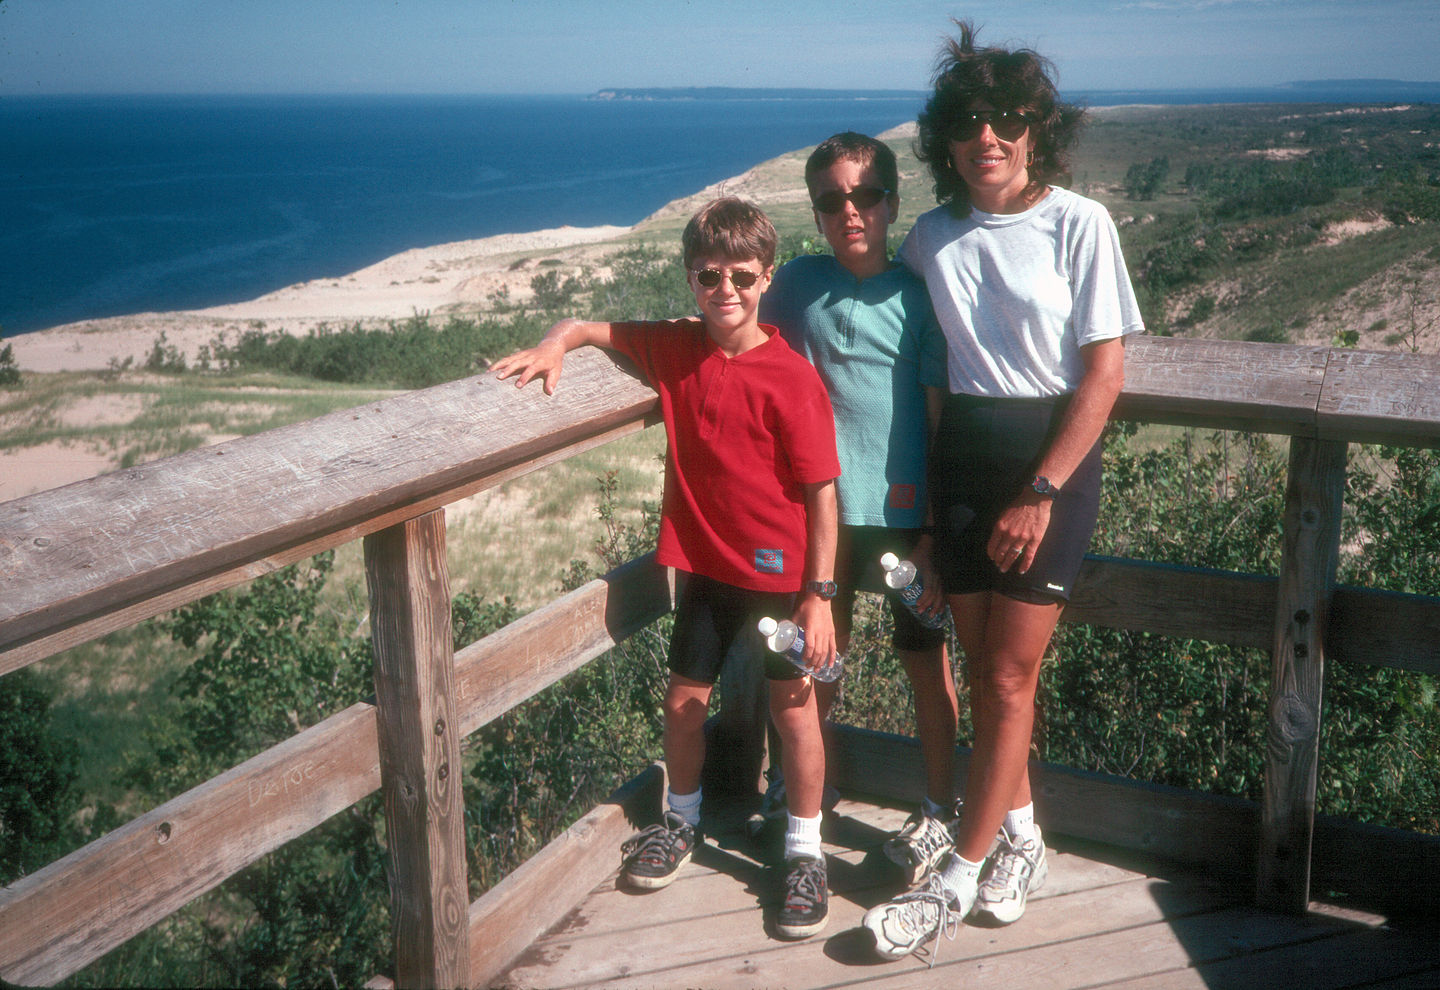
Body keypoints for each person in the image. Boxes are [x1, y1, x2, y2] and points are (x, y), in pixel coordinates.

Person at [862, 21, 1144, 962]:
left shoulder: (1080, 223)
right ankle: (1021, 838)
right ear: (947, 138)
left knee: (1009, 676)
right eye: (970, 119)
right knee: (986, 678)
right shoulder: (928, 238)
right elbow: (917, 368)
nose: (990, 135)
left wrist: (1044, 489)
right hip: (965, 466)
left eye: (1010, 118)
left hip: (1046, 469)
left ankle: (953, 882)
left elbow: (1103, 376)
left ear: (1037, 131)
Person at [492, 197, 842, 941]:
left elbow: (821, 494)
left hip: (781, 578)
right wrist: (556, 345)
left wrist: (819, 596)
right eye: (709, 276)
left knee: (792, 711)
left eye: (742, 277)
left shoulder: (791, 377)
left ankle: (806, 854)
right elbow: (588, 327)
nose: (726, 291)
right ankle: (679, 823)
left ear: (766, 277)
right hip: (706, 574)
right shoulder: (677, 348)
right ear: (690, 279)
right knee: (684, 702)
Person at [757, 131, 961, 885]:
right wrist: (583, 335)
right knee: (818, 659)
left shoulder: (920, 296)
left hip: (906, 517)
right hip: (824, 517)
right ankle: (807, 790)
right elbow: (726, 326)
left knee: (923, 660)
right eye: (832, 200)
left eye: (866, 195)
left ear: (891, 203)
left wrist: (935, 537)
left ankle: (941, 806)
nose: (851, 211)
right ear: (817, 212)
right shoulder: (797, 286)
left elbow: (939, 419)